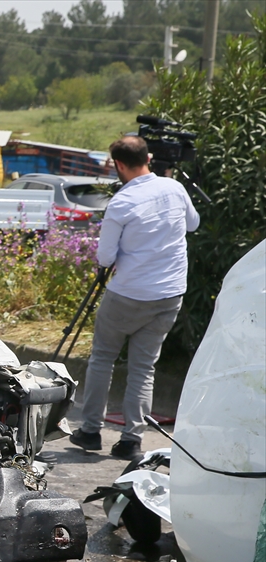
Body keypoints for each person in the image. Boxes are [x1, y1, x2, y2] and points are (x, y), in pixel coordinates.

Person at [68, 135, 200, 460]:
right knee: (144, 368)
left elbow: (104, 257)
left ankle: (90, 431)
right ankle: (131, 439)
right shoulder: (175, 188)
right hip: (169, 294)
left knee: (102, 358)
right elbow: (193, 224)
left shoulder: (122, 203)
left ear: (119, 165)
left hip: (128, 294)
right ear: (149, 158)